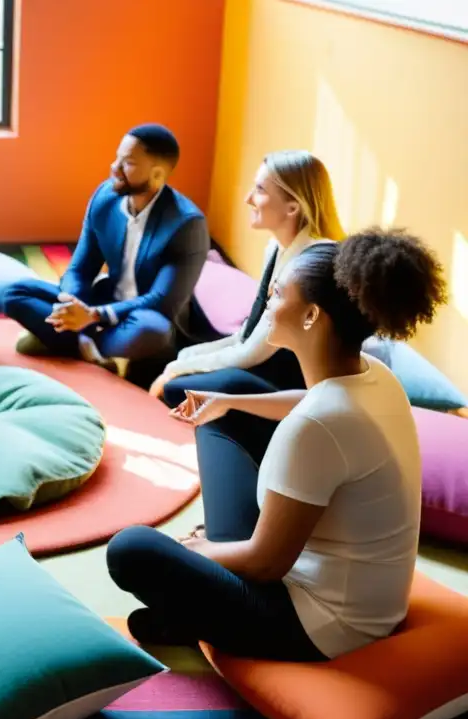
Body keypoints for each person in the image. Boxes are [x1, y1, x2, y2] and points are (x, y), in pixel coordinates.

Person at [106, 228, 446, 661]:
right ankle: (189, 613)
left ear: (311, 316)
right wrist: (229, 401)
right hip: (329, 577)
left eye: (278, 293)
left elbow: (267, 563)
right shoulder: (376, 375)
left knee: (132, 549)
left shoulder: (317, 428)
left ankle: (191, 617)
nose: (267, 302)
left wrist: (195, 548)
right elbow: (314, 399)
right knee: (223, 411)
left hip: (318, 624)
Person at [3, 124, 212, 375]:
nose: (115, 168)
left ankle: (63, 339)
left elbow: (160, 301)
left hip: (142, 315)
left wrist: (93, 316)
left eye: (128, 163)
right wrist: (72, 303)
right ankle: (89, 348)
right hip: (102, 301)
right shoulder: (105, 197)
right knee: (15, 293)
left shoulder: (186, 224)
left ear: (157, 175)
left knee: (152, 331)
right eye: (117, 158)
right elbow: (80, 268)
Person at [151, 150, 345, 404]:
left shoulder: (308, 265)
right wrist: (183, 359)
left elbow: (252, 353)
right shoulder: (276, 248)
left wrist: (176, 370)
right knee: (176, 360)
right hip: (260, 362)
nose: (248, 199)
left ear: (293, 207)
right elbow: (248, 333)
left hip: (291, 382)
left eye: (260, 190)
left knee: (176, 388)